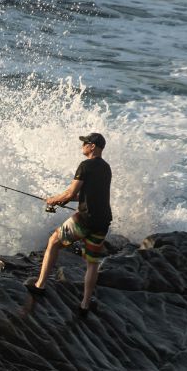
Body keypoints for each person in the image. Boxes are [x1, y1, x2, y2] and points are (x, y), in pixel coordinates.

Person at [26, 133, 112, 317]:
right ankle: (85, 305)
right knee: (92, 263)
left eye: (85, 143)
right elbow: (86, 195)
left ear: (93, 147)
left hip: (86, 219)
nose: (83, 146)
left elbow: (70, 192)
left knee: (54, 241)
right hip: (103, 221)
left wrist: (54, 199)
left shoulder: (85, 165)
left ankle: (40, 285)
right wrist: (62, 200)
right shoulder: (106, 168)